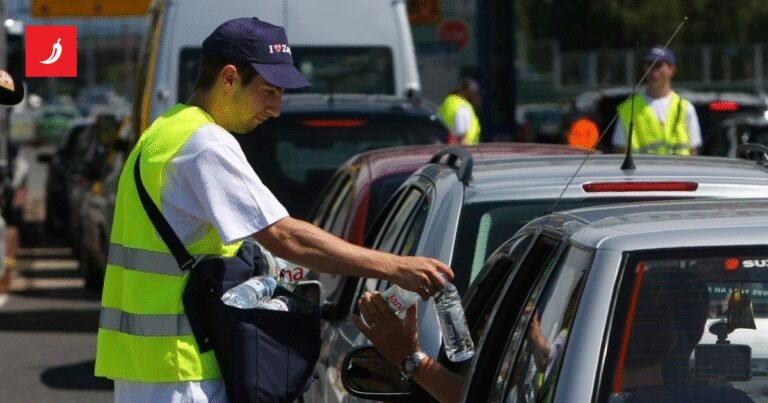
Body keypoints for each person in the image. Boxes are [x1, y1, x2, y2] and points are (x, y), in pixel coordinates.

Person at [93, 17, 453, 403]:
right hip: (184, 371)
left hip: (147, 369)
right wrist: (396, 267)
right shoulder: (205, 144)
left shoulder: (165, 131)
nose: (276, 109)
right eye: (268, 91)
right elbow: (284, 235)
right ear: (229, 78)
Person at [612, 45, 702, 155]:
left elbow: (693, 153)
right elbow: (619, 152)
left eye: (658, 65)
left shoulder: (685, 108)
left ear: (672, 70)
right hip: (642, 172)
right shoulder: (629, 109)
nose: (652, 71)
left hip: (678, 172)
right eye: (649, 65)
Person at [437, 77, 482, 146]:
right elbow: (461, 138)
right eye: (475, 94)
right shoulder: (463, 107)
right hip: (463, 151)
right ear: (468, 93)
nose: (479, 97)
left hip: (446, 148)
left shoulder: (449, 101)